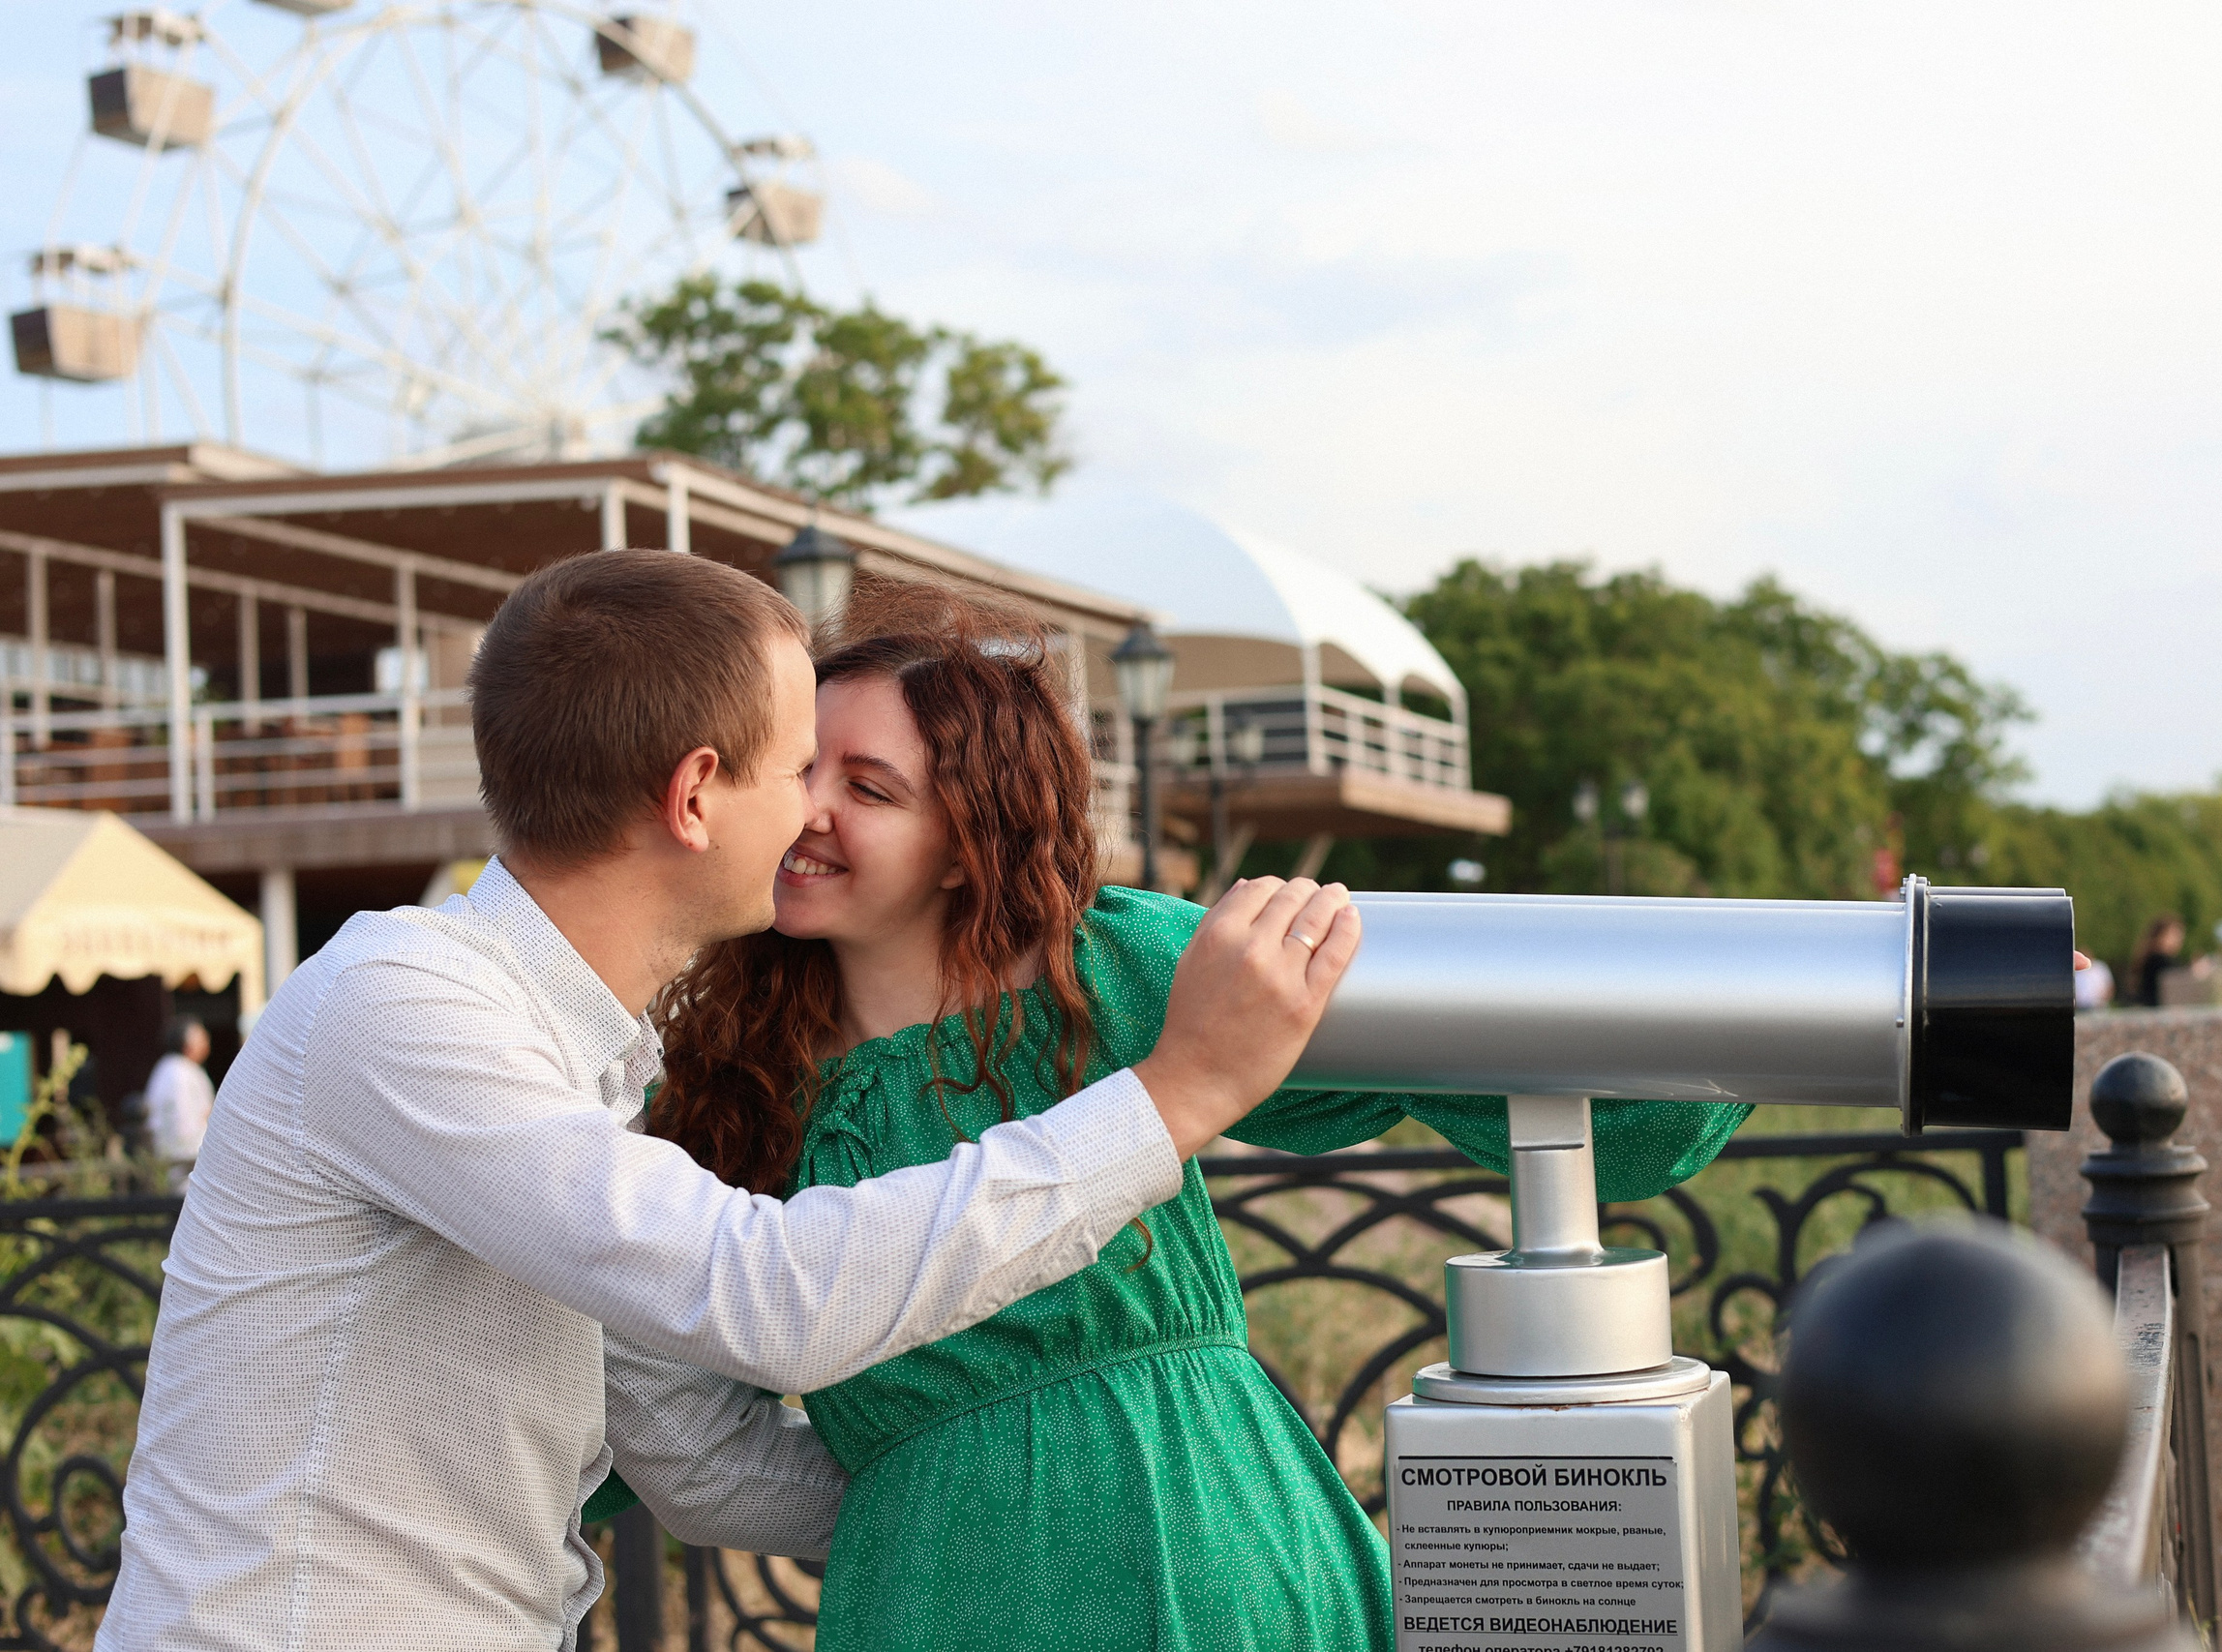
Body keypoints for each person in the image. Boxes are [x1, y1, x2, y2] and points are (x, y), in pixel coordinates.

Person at [97, 552, 1362, 1652]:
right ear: (698, 794)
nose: (812, 811)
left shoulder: (586, 1067)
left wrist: (1021, 1502)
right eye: (800, 764)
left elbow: (696, 1450)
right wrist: (1178, 1093)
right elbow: (761, 1295)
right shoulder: (402, 1001)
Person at [625, 590, 1751, 1652]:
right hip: (935, 1599)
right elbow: (655, 1398)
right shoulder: (729, 1080)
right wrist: (919, 1492)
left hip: (1213, 1543)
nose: (810, 812)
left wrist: (1726, 1008)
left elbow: (1514, 1071)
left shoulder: (1106, 971)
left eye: (870, 790)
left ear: (968, 839)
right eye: (802, 770)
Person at [142, 1016, 215, 1187]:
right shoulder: (182, 1073)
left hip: (171, 1157)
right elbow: (185, 1124)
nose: (207, 1043)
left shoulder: (167, 1068)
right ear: (188, 1044)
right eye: (202, 1038)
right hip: (185, 1162)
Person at [2134, 913, 2186, 1006]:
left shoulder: (2152, 957)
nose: (2178, 940)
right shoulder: (2157, 959)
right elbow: (2177, 977)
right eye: (2174, 936)